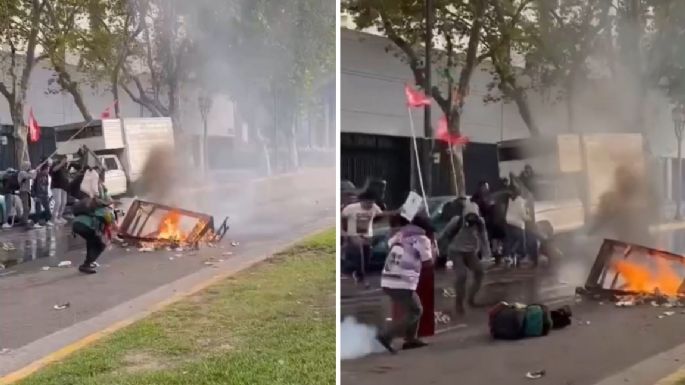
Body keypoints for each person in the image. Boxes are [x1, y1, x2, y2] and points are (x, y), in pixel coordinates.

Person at [376, 214, 433, 353]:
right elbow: (428, 262)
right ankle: (386, 336)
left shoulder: (401, 234)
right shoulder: (422, 239)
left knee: (414, 307)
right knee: (416, 311)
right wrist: (434, 251)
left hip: (388, 278)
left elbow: (389, 244)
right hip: (402, 281)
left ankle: (410, 339)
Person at [438, 200, 491, 315]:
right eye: (469, 216)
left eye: (474, 217)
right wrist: (437, 247)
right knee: (462, 276)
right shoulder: (457, 221)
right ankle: (459, 303)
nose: (471, 220)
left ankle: (471, 298)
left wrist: (487, 255)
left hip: (471, 252)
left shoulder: (480, 223)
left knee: (479, 272)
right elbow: (444, 235)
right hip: (456, 251)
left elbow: (484, 239)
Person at [341, 191, 383, 287]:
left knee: (366, 257)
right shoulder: (350, 208)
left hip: (367, 235)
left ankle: (357, 272)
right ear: (361, 201)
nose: (369, 205)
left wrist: (398, 212)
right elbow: (341, 219)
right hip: (353, 234)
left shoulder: (374, 207)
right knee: (360, 254)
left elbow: (382, 215)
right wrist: (344, 232)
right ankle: (362, 279)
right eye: (367, 203)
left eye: (371, 203)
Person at [72, 197, 114, 274]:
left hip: (76, 225)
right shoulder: (103, 209)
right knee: (101, 245)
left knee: (91, 242)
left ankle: (88, 262)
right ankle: (86, 265)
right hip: (86, 226)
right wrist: (112, 213)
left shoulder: (90, 207)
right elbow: (110, 221)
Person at [505, 186, 529, 267]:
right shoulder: (521, 201)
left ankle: (510, 256)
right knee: (521, 241)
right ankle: (514, 253)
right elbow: (522, 214)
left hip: (509, 222)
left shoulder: (510, 200)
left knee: (511, 241)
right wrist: (528, 218)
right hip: (518, 224)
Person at [18, 161, 38, 228]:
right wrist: (35, 171)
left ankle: (24, 220)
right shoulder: (22, 173)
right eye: (28, 165)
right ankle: (24, 221)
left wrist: (34, 171)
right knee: (26, 207)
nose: (29, 167)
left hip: (27, 192)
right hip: (23, 192)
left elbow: (33, 177)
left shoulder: (25, 172)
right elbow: (31, 176)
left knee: (28, 207)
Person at [50, 156, 69, 224]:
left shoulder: (64, 167)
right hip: (56, 186)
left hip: (63, 187)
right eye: (65, 160)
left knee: (64, 202)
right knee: (58, 202)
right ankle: (53, 218)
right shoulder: (56, 164)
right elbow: (54, 170)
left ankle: (59, 216)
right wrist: (61, 163)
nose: (66, 161)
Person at [32, 161, 52, 226]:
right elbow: (33, 186)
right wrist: (34, 195)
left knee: (47, 208)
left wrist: (47, 194)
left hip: (45, 195)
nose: (48, 171)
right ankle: (36, 223)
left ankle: (48, 220)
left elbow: (46, 186)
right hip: (38, 194)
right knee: (38, 209)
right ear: (44, 169)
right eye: (47, 169)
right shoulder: (38, 175)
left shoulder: (46, 176)